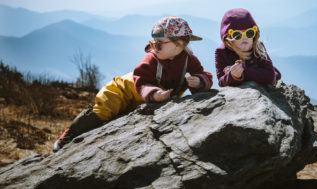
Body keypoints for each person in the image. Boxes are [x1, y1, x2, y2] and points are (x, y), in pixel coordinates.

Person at [53, 17, 213, 152]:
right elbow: (141, 80)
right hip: (122, 90)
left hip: (141, 101)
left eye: (159, 43)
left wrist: (199, 81)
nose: (154, 47)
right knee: (103, 112)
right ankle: (69, 135)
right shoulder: (151, 59)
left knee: (116, 121)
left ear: (178, 44)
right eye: (153, 43)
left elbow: (204, 75)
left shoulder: (189, 60)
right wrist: (154, 94)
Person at [215, 8, 281, 87]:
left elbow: (270, 77)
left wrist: (243, 72)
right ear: (228, 38)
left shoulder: (259, 48)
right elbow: (221, 82)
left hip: (264, 81)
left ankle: (274, 70)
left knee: (273, 73)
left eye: (249, 33)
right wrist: (233, 76)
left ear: (254, 35)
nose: (244, 37)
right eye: (237, 35)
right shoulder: (222, 52)